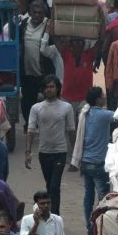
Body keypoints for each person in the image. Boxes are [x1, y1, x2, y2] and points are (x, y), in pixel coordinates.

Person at [26, 75, 75, 214]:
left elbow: (71, 130)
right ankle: (48, 211)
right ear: (43, 89)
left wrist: (75, 155)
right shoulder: (36, 108)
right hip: (44, 152)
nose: (49, 90)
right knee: (49, 185)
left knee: (54, 186)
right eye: (46, 87)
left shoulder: (67, 107)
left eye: (52, 86)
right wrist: (28, 152)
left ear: (58, 88)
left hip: (60, 152)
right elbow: (30, 130)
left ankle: (55, 216)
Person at [70, 88, 114, 235]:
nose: (104, 98)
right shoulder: (103, 115)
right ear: (97, 100)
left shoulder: (85, 113)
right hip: (98, 164)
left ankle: (90, 231)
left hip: (86, 163)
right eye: (102, 97)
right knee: (103, 199)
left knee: (88, 197)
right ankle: (99, 230)